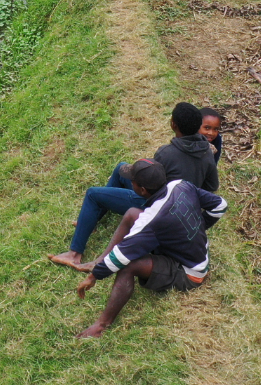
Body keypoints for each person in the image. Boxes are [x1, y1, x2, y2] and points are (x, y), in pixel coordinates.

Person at [49, 103, 222, 269]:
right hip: (179, 202)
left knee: (93, 194)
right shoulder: (207, 151)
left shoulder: (166, 153)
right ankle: (91, 221)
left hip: (155, 205)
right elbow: (212, 185)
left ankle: (74, 254)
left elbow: (150, 182)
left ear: (173, 124)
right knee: (121, 168)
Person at [74, 160, 226, 337]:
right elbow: (220, 205)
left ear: (142, 190)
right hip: (193, 251)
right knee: (132, 213)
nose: (130, 184)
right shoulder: (180, 185)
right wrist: (198, 225)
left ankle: (101, 325)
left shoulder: (152, 221)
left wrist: (94, 276)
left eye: (133, 182)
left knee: (128, 265)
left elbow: (121, 256)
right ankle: (100, 259)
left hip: (189, 272)